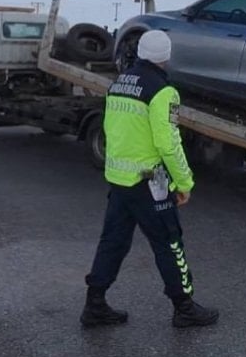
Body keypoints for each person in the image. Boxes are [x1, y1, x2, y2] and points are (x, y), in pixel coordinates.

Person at [81, 30, 219, 328]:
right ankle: (184, 307)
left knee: (113, 241)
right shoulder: (163, 91)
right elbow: (168, 144)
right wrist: (184, 182)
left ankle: (95, 303)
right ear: (166, 57)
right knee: (169, 242)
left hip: (119, 178)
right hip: (149, 179)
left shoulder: (119, 83)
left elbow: (111, 128)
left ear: (141, 52)